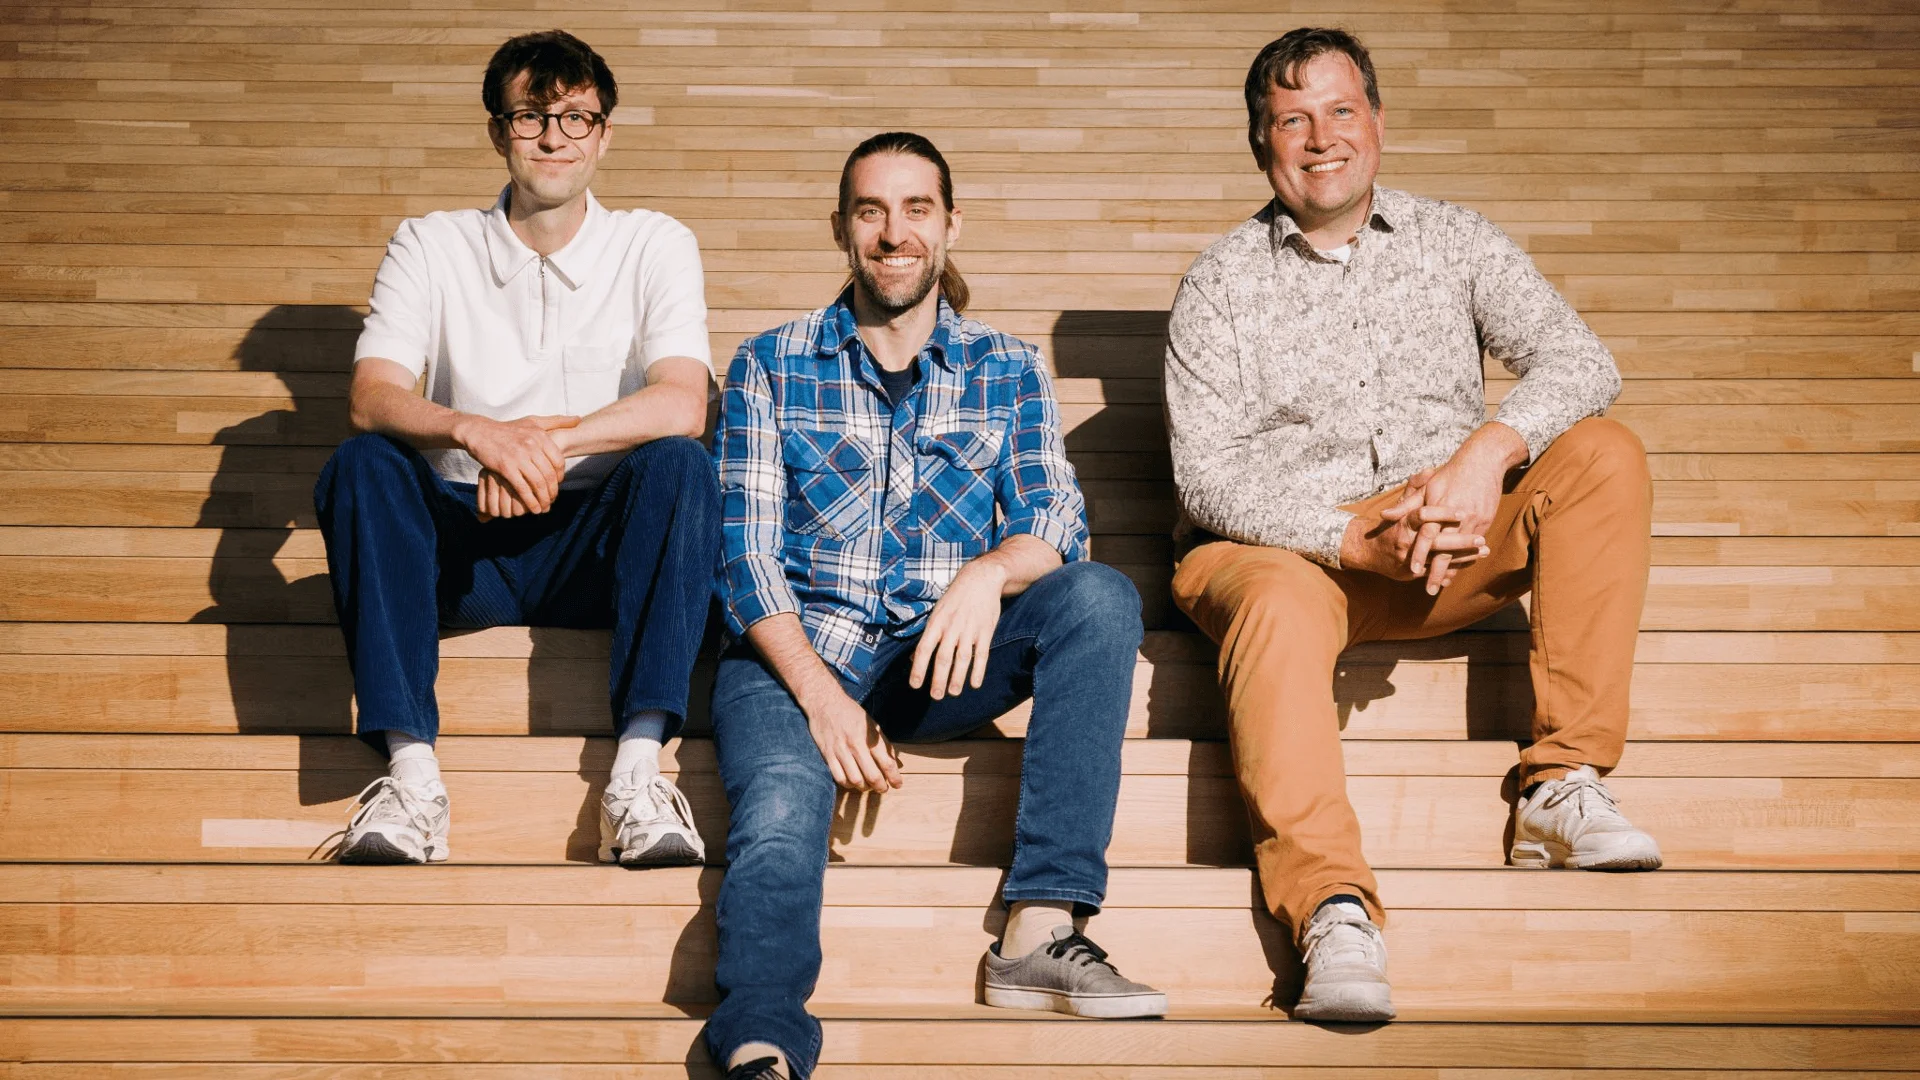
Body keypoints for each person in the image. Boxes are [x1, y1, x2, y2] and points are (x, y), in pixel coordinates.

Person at [1163, 27, 1663, 1023]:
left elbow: (1581, 359)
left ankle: (1560, 785)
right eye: (1292, 120)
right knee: (1274, 598)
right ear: (1261, 145)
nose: (1321, 139)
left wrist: (1487, 455)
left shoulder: (1455, 239)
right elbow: (1207, 478)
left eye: (1340, 111)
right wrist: (1350, 538)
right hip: (1289, 552)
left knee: (1605, 453)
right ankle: (1331, 910)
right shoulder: (1220, 283)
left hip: (1447, 536)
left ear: (1379, 123)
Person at [705, 132, 1167, 1080]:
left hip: (936, 659)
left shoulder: (1009, 366)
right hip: (794, 655)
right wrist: (823, 701)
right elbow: (744, 558)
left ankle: (1040, 929)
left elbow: (1056, 521)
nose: (894, 232)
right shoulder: (770, 362)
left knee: (1099, 598)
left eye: (916, 208)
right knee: (784, 807)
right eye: (871, 210)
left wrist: (987, 573)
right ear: (841, 229)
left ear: (951, 225)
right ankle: (761, 1035)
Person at [314, 30, 719, 868]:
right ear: (499, 131)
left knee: (680, 465)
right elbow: (371, 395)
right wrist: (477, 433)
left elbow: (685, 401)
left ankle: (637, 778)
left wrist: (544, 444)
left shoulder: (654, 242)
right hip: (464, 543)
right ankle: (410, 779)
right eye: (532, 116)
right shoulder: (431, 242)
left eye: (576, 118)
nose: (553, 138)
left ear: (604, 135)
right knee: (364, 464)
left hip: (597, 547)